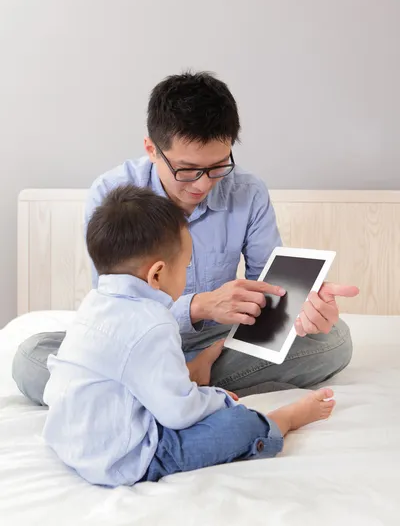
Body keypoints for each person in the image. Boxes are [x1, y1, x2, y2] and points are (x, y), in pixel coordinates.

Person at [12, 71, 359, 405]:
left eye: (218, 167)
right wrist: (199, 306)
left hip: (217, 341)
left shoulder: (248, 193)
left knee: (335, 339)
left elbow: (268, 293)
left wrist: (301, 310)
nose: (203, 184)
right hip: (133, 340)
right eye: (187, 170)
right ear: (152, 149)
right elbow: (112, 306)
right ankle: (182, 383)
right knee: (30, 357)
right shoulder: (112, 193)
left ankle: (157, 387)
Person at [42, 185, 335, 486]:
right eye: (184, 266)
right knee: (236, 425)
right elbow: (179, 414)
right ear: (157, 275)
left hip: (70, 443)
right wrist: (217, 400)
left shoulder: (93, 304)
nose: (186, 273)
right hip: (120, 459)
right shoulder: (153, 323)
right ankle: (281, 421)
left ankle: (190, 375)